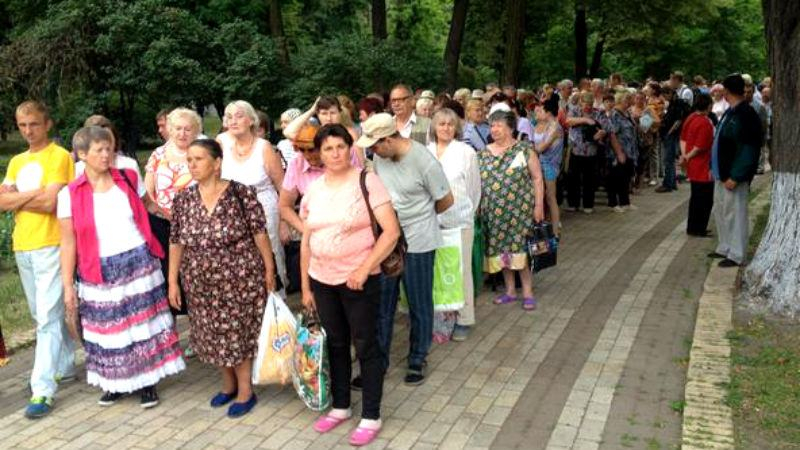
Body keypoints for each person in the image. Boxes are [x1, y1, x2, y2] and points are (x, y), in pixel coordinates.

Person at [58, 126, 185, 408]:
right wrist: (68, 285)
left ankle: (147, 381)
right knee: (109, 330)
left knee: (142, 326)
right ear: (81, 155)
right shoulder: (69, 195)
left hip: (138, 261)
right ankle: (115, 384)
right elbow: (68, 243)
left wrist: (179, 218)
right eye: (99, 150)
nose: (106, 155)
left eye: (109, 149)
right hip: (97, 269)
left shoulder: (127, 177)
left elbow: (148, 206)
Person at [300, 124, 400, 446]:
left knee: (366, 345)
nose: (335, 153)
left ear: (350, 147)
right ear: (320, 154)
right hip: (322, 279)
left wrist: (364, 268)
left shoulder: (366, 181)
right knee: (337, 344)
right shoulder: (314, 188)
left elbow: (391, 232)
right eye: (327, 149)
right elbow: (307, 239)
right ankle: (341, 406)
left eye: (340, 146)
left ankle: (371, 413)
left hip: (358, 280)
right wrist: (305, 286)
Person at [169, 139, 277, 417]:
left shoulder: (241, 194)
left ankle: (245, 390)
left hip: (239, 277)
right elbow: (176, 241)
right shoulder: (183, 199)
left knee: (236, 333)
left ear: (216, 163)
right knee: (212, 333)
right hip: (199, 281)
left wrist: (269, 269)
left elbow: (260, 233)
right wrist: (172, 280)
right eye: (189, 160)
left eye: (199, 159)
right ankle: (227, 385)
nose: (192, 165)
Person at [356, 113, 453, 386]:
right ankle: (378, 364)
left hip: (420, 241)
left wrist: (419, 217)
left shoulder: (423, 160)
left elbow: (446, 200)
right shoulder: (379, 157)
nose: (372, 151)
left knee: (419, 303)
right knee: (382, 305)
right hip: (389, 240)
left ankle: (417, 358)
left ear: (388, 139)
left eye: (375, 145)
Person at [0, 101, 75, 418]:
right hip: (23, 245)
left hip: (51, 243)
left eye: (33, 124)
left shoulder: (60, 156)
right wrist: (34, 195)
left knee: (46, 318)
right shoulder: (16, 161)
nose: (28, 131)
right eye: (22, 126)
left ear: (47, 124)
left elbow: (51, 203)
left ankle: (42, 390)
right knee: (41, 313)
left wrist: (19, 198)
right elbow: (3, 203)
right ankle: (66, 364)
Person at [478, 110, 545, 311]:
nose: (494, 129)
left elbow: (537, 179)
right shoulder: (483, 153)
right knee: (502, 253)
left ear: (510, 128)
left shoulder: (524, 150)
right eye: (492, 125)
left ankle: (527, 292)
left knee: (520, 251)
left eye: (498, 125)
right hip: (493, 214)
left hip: (520, 212)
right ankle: (509, 291)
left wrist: (539, 206)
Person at [219, 100, 287, 288]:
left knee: (270, 253)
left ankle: (276, 302)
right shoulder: (222, 143)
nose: (233, 121)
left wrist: (283, 222)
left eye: (239, 116)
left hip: (264, 207)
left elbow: (282, 186)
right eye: (229, 116)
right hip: (232, 211)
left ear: (251, 120)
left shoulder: (264, 147)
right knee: (239, 257)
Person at [427, 109, 481, 342]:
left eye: (450, 124)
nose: (446, 128)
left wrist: (467, 212)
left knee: (461, 270)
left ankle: (464, 318)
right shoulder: (425, 151)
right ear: (434, 127)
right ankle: (440, 318)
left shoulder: (466, 152)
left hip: (460, 220)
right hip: (430, 221)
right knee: (437, 271)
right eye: (441, 124)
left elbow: (474, 189)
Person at [144, 107, 200, 320]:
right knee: (168, 276)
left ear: (195, 131)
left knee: (195, 277)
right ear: (169, 129)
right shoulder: (158, 155)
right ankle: (171, 331)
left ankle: (199, 329)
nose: (182, 133)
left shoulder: (200, 153)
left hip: (196, 224)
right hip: (163, 224)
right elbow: (148, 192)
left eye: (187, 129)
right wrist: (163, 213)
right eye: (177, 128)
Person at [709, 74, 762, 268]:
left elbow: (748, 148)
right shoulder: (731, 112)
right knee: (722, 211)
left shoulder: (745, 114)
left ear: (727, 91)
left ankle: (737, 253)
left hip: (732, 175)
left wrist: (737, 175)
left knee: (735, 213)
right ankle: (724, 246)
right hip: (721, 173)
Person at [679, 93, 715, 237]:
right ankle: (699, 228)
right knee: (705, 199)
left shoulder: (690, 118)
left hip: (692, 165)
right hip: (703, 165)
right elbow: (700, 147)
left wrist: (684, 156)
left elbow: (683, 139)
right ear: (708, 106)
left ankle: (692, 226)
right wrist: (688, 155)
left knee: (695, 198)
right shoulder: (705, 123)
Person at [565, 92, 606, 213]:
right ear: (580, 102)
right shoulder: (574, 111)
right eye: (585, 104)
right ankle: (573, 204)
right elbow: (568, 122)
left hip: (591, 151)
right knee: (573, 178)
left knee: (590, 179)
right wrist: (586, 120)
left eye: (589, 104)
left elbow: (605, 128)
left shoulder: (598, 113)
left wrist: (601, 133)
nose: (587, 107)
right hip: (576, 150)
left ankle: (588, 205)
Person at [532, 96, 564, 232]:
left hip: (550, 166)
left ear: (548, 112)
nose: (540, 112)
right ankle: (550, 226)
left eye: (542, 110)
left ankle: (556, 229)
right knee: (545, 196)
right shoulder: (550, 126)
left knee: (551, 197)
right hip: (544, 164)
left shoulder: (555, 127)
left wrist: (529, 148)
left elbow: (542, 147)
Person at [77, 115, 142, 182]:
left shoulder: (129, 165)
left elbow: (139, 192)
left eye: (109, 138)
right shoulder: (78, 170)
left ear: (115, 139)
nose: (105, 144)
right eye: (98, 140)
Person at [607, 91, 639, 212]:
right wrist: (619, 152)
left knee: (626, 177)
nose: (631, 101)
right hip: (618, 151)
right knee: (615, 177)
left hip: (629, 150)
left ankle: (625, 201)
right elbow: (612, 134)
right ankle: (613, 203)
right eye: (629, 99)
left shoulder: (627, 113)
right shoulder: (615, 114)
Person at [656, 87, 690, 193]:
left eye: (665, 95)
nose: (664, 98)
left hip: (670, 135)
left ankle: (668, 184)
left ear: (670, 93)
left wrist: (669, 133)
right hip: (670, 134)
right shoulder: (673, 103)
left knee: (668, 160)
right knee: (669, 160)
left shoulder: (677, 104)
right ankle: (672, 183)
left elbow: (678, 121)